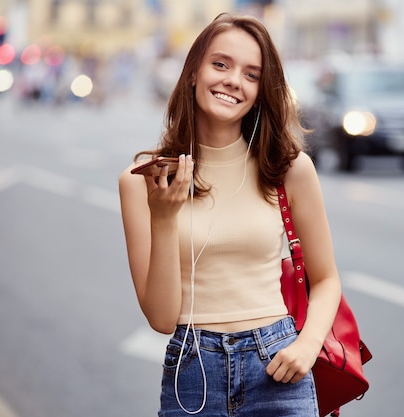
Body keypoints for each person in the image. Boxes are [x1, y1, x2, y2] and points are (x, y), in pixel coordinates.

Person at [119, 13, 341, 416]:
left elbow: (326, 280)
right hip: (193, 371)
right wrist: (164, 218)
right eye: (220, 64)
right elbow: (161, 318)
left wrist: (306, 347)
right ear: (193, 72)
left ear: (261, 91)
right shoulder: (144, 182)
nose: (233, 81)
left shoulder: (288, 169)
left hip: (278, 366)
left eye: (251, 74)